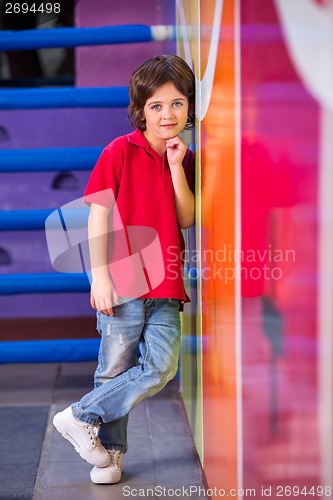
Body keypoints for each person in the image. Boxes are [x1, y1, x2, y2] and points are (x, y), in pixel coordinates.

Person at [53, 54, 195, 485]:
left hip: (167, 282)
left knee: (161, 367)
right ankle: (111, 455)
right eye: (156, 106)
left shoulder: (185, 158)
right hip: (121, 278)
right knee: (113, 369)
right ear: (140, 111)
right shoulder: (118, 151)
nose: (167, 114)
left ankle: (80, 416)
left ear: (190, 107)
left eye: (177, 104)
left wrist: (175, 166)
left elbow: (186, 217)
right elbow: (97, 215)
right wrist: (100, 276)